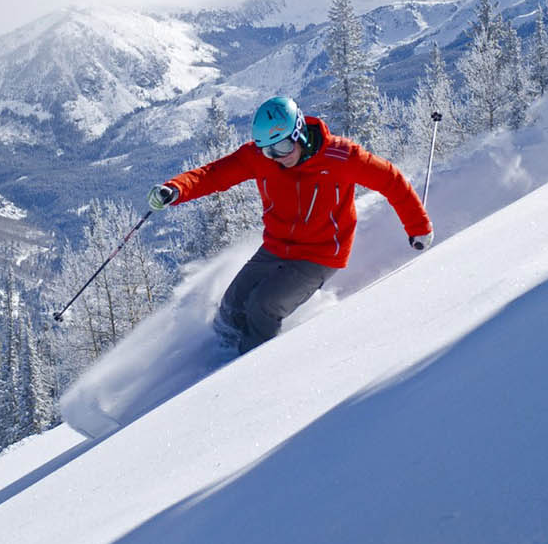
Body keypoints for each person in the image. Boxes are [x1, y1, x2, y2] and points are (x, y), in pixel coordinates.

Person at [148, 96, 434, 353]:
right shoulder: (262, 159)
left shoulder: (341, 157)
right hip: (276, 246)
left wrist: (418, 227)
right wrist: (176, 189)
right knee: (232, 306)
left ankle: (246, 373)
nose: (278, 157)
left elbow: (391, 180)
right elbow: (214, 174)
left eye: (283, 146)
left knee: (263, 306)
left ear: (299, 132)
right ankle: (216, 359)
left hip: (320, 254)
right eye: (269, 151)